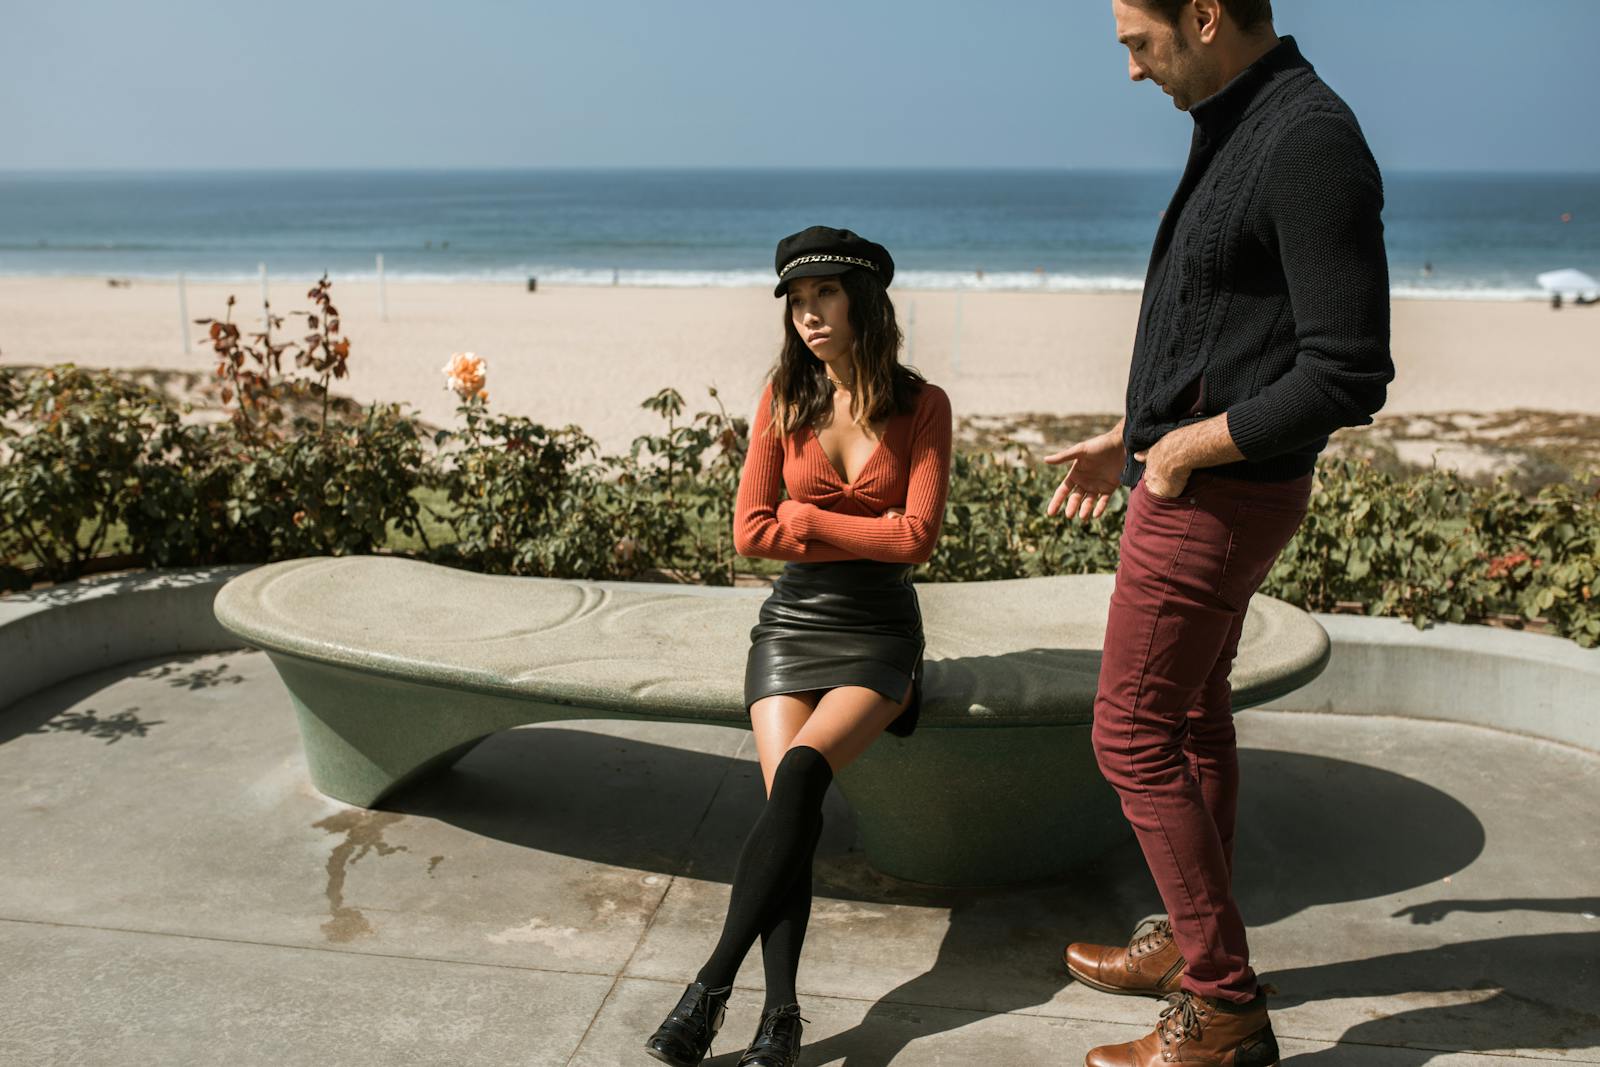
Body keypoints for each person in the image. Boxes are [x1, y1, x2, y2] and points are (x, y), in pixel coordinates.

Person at [1044, 2, 1394, 1064]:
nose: (1131, 72)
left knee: (1130, 732)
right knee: (1189, 716)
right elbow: (1231, 329)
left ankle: (1222, 1005)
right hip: (1201, 478)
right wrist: (1134, 432)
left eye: (1136, 43)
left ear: (1202, 17)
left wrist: (1187, 450)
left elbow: (1346, 371)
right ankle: (1185, 942)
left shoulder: (1306, 139)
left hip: (1216, 497)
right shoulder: (1244, 121)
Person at [644, 226, 953, 1067]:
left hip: (880, 634)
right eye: (797, 299)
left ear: (863, 299)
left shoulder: (924, 405)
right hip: (791, 627)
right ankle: (780, 1016)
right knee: (793, 813)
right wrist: (864, 530)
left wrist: (810, 520)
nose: (809, 314)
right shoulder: (784, 396)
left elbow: (918, 538)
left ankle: (707, 986)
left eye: (824, 295)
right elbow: (749, 531)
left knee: (804, 779)